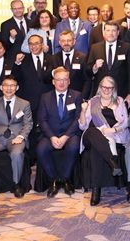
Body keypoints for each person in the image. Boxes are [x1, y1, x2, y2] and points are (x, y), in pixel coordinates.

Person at [79, 75, 130, 206]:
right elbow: (83, 126)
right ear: (100, 87)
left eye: (109, 88)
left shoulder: (119, 101)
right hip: (91, 135)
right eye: (104, 87)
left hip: (111, 135)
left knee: (96, 149)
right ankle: (112, 162)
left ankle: (96, 191)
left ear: (114, 89)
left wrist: (113, 130)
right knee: (93, 132)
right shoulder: (93, 101)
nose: (106, 90)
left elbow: (125, 123)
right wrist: (83, 111)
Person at [36, 67, 83, 198]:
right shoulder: (45, 97)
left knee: (73, 147)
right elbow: (42, 120)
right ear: (53, 81)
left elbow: (78, 118)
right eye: (58, 80)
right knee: (41, 150)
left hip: (70, 134)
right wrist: (52, 137)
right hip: (50, 134)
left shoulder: (77, 95)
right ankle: (54, 180)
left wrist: (66, 136)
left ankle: (65, 179)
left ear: (69, 81)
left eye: (64, 79)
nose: (61, 83)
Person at [87, 21, 130, 103]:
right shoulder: (95, 48)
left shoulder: (127, 47)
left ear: (118, 33)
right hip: (100, 93)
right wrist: (94, 67)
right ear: (104, 33)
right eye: (108, 30)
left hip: (121, 93)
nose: (111, 33)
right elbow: (87, 70)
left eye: (113, 31)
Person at [48, 30, 90, 100]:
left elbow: (87, 80)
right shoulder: (53, 58)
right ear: (59, 42)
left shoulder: (83, 57)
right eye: (63, 41)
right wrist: (54, 72)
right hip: (58, 98)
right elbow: (46, 78)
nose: (66, 43)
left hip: (77, 97)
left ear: (74, 41)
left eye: (69, 40)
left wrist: (83, 98)